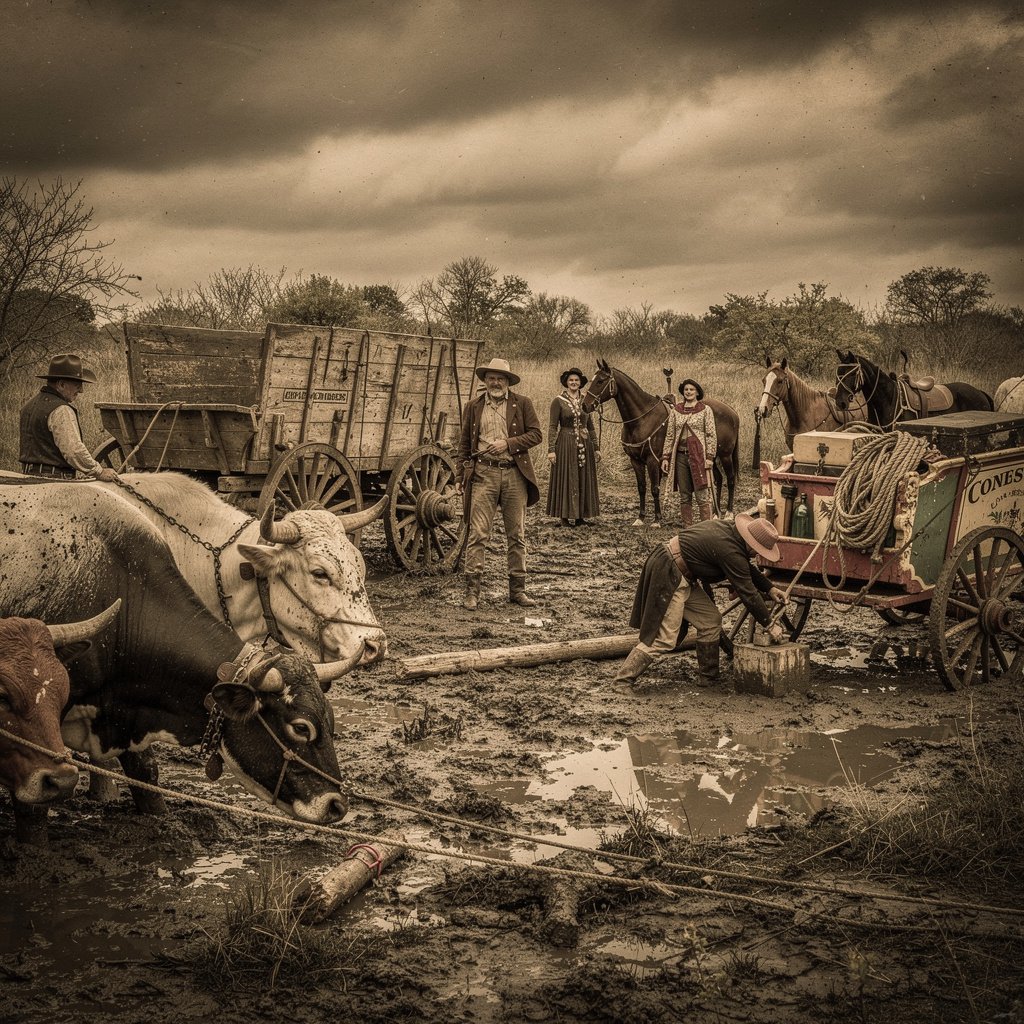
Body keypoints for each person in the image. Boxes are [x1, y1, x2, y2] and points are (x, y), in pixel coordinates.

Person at [614, 513, 788, 687]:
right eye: (758, 550)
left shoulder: (730, 532)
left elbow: (746, 568)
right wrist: (769, 624)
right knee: (664, 639)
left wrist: (769, 588)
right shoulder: (730, 550)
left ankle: (709, 678)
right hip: (670, 572)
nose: (757, 553)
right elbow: (748, 593)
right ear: (751, 544)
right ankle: (623, 681)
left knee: (710, 621)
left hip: (682, 573)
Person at [456, 356, 543, 610]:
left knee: (516, 535)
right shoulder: (473, 407)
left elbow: (536, 434)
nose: (495, 382)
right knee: (478, 533)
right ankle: (472, 593)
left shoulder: (522, 403)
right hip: (483, 475)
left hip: (515, 474)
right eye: (491, 378)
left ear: (508, 382)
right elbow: (464, 444)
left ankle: (518, 591)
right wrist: (460, 477)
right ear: (485, 381)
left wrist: (508, 444)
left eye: (500, 378)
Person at [19, 354, 120, 482]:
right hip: (54, 481)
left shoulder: (28, 405)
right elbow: (73, 451)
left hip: (27, 477)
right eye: (77, 384)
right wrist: (98, 471)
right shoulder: (61, 409)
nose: (81, 390)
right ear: (61, 384)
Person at [546, 367, 601, 527]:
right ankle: (564, 517)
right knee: (566, 476)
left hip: (585, 444)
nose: (574, 382)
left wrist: (596, 447)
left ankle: (580, 517)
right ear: (566, 382)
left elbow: (590, 426)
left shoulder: (586, 400)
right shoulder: (558, 401)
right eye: (571, 380)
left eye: (576, 380)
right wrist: (551, 450)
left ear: (580, 383)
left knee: (583, 476)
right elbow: (552, 426)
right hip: (565, 443)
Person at [661, 378, 716, 526]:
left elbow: (711, 434)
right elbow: (670, 435)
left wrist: (710, 457)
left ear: (697, 392)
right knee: (684, 495)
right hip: (680, 456)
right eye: (686, 390)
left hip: (699, 456)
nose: (689, 392)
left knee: (702, 494)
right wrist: (665, 457)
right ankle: (688, 528)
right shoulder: (676, 411)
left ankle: (707, 528)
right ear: (683, 392)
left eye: (692, 389)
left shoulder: (705, 410)